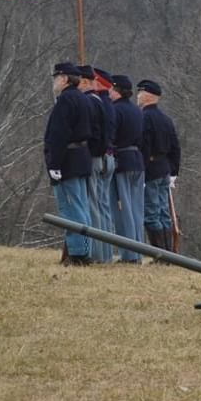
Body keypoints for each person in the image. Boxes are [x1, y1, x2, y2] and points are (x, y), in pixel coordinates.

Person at [45, 62, 94, 265]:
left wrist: (54, 163)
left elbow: (59, 134)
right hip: (81, 157)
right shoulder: (83, 99)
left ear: (64, 78)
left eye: (57, 77)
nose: (55, 82)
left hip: (68, 159)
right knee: (81, 207)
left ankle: (78, 253)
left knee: (71, 209)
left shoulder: (65, 100)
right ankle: (84, 250)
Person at [78, 65, 116, 263]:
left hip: (96, 157)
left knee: (94, 206)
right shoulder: (104, 103)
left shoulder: (94, 102)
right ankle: (105, 254)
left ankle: (98, 254)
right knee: (102, 207)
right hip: (106, 156)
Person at [137, 79, 181, 251]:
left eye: (140, 93)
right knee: (163, 213)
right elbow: (175, 147)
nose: (138, 96)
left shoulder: (145, 117)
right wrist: (173, 172)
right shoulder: (166, 119)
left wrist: (143, 171)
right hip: (165, 169)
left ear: (148, 96)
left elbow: (144, 147)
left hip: (152, 168)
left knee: (151, 213)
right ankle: (167, 251)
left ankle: (160, 253)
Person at [109, 74, 145, 262]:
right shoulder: (137, 111)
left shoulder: (115, 110)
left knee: (123, 211)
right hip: (137, 161)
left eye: (111, 89)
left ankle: (129, 254)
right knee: (137, 209)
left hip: (122, 160)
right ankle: (137, 250)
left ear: (116, 90)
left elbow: (112, 136)